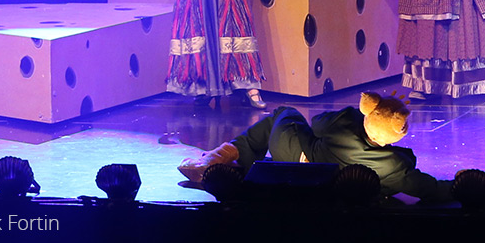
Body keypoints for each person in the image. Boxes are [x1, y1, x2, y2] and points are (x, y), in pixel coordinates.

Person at [178, 91, 451, 200]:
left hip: (294, 156)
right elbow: (427, 188)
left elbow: (317, 124)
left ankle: (219, 157)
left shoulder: (347, 121)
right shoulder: (394, 166)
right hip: (321, 189)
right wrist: (459, 185)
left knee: (283, 113)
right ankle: (241, 169)